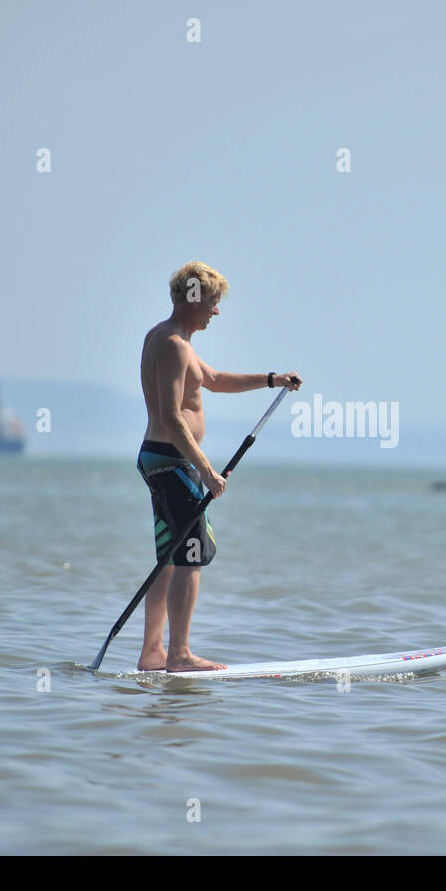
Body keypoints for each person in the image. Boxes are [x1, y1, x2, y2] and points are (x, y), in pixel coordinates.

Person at [137, 261, 302, 671]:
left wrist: (271, 379)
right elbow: (173, 417)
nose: (217, 311)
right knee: (191, 555)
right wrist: (208, 471)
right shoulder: (173, 344)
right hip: (173, 461)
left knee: (171, 556)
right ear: (194, 299)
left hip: (159, 458)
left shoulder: (171, 339)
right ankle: (179, 655)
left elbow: (214, 379)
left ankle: (152, 652)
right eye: (213, 302)